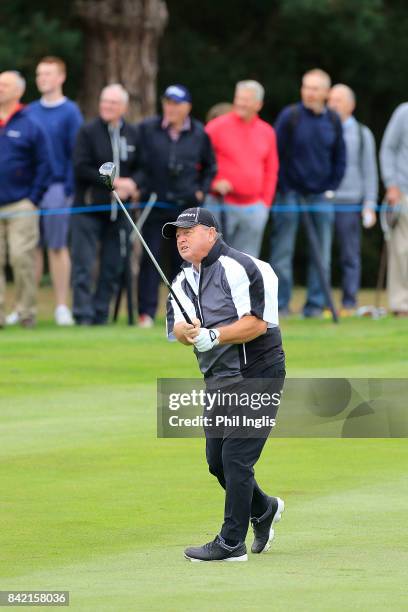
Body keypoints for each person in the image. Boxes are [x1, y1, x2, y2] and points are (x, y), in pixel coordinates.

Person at [164, 207, 286, 562]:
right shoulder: (181, 279)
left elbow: (258, 324)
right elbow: (177, 328)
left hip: (258, 373)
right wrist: (187, 334)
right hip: (219, 379)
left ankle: (232, 542)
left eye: (189, 230)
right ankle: (263, 509)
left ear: (212, 233)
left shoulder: (248, 268)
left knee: (236, 458)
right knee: (216, 461)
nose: (181, 238)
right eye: (177, 234)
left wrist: (214, 335)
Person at [135, 84, 216, 328]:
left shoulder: (199, 133)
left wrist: (201, 190)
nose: (170, 108)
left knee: (184, 260)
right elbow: (140, 164)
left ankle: (181, 312)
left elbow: (210, 166)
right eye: (167, 103)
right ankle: (146, 313)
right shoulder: (148, 129)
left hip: (186, 208)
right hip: (155, 203)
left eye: (175, 104)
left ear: (187, 107)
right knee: (151, 259)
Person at [270, 68, 346, 317]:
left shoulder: (333, 120)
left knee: (322, 253)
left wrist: (331, 187)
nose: (309, 93)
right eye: (306, 87)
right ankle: (281, 305)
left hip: (320, 196)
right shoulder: (289, 116)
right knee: (283, 252)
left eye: (314, 88)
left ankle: (314, 306)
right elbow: (275, 155)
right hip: (289, 194)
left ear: (326, 92)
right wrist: (284, 186)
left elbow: (340, 158)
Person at [71, 84, 139, 325]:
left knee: (113, 265)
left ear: (123, 107)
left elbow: (142, 167)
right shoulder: (87, 132)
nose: (107, 106)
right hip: (89, 207)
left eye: (112, 103)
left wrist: (131, 184)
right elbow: (81, 167)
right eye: (104, 101)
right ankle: (83, 315)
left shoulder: (132, 133)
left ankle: (101, 314)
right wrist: (112, 182)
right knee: (83, 265)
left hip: (119, 211)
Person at [27, 56, 82, 326]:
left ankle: (61, 306)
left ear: (61, 77)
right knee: (31, 248)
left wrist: (70, 189)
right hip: (31, 189)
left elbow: (76, 154)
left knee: (57, 247)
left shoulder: (70, 111)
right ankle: (28, 307)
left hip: (59, 186)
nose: (42, 79)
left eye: (48, 74)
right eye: (39, 74)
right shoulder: (29, 111)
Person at [205, 80, 279, 257]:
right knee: (212, 259)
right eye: (239, 98)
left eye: (246, 100)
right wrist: (213, 183)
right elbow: (198, 163)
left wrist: (264, 204)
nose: (240, 103)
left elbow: (271, 169)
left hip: (253, 209)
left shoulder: (267, 132)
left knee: (245, 263)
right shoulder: (216, 127)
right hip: (219, 204)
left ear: (258, 104)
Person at [0, 71, 50, 329]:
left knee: (21, 258)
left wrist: (33, 198)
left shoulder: (30, 122)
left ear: (18, 91)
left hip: (21, 203)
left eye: (5, 85)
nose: (0, 88)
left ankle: (26, 313)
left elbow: (44, 164)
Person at [327, 84, 378, 314]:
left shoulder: (361, 133)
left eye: (338, 100)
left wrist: (370, 203)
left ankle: (349, 300)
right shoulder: (324, 128)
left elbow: (369, 171)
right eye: (331, 100)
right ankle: (321, 302)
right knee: (322, 254)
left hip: (350, 202)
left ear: (351, 104)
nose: (333, 104)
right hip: (324, 201)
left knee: (350, 254)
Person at [379, 103, 408, 317]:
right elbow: (388, 148)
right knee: (402, 250)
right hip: (404, 192)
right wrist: (392, 184)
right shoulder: (404, 112)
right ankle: (401, 304)